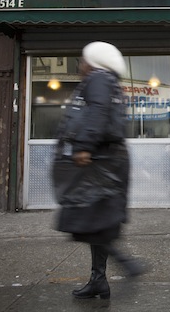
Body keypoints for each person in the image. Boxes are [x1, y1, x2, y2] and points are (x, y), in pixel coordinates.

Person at [52, 41, 143, 300]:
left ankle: (125, 264)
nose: (81, 65)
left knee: (86, 220)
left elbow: (99, 112)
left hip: (99, 161)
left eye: (83, 60)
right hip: (108, 160)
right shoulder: (110, 81)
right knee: (98, 220)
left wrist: (83, 146)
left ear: (94, 62)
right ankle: (99, 280)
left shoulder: (99, 79)